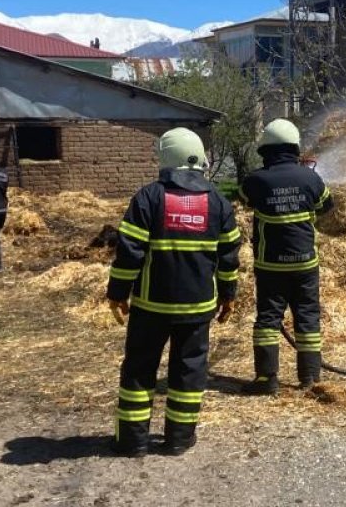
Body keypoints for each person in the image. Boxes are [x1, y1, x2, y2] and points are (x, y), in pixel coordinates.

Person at [105, 128, 241, 457]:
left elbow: (129, 252)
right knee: (190, 371)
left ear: (165, 158)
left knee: (139, 368)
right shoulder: (219, 204)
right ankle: (179, 439)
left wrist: (117, 292)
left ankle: (133, 442)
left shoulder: (149, 198)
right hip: (197, 309)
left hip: (151, 306)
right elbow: (229, 256)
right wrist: (228, 294)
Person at [237, 119, 333, 395]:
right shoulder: (310, 177)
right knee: (308, 317)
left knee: (268, 318)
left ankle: (267, 380)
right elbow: (327, 205)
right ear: (294, 147)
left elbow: (245, 200)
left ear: (265, 149)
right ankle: (310, 378)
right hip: (305, 263)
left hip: (270, 265)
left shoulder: (256, 180)